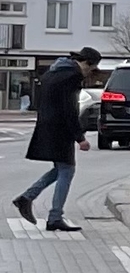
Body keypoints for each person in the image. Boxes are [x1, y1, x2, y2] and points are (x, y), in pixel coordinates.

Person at [13, 46, 101, 232]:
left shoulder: (54, 71)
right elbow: (69, 109)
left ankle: (27, 198)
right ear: (86, 63)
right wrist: (80, 137)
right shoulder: (72, 76)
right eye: (91, 69)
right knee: (67, 170)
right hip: (60, 129)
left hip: (48, 125)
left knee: (61, 169)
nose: (89, 73)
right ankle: (54, 217)